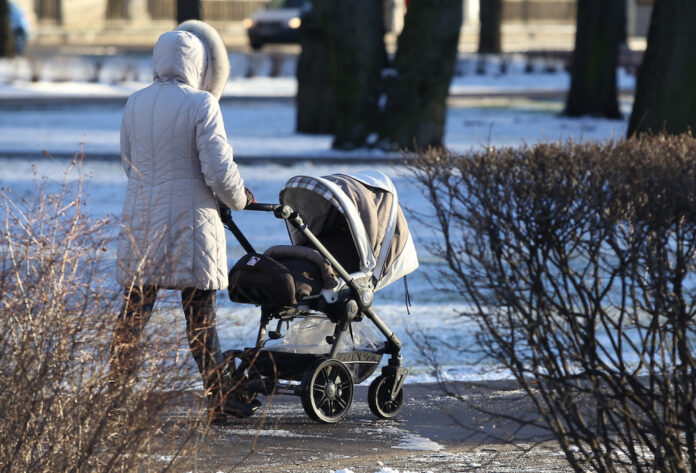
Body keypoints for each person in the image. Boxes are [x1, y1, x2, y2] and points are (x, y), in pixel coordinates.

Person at [110, 20, 259, 421]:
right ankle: (218, 399)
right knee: (200, 320)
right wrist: (240, 199)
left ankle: (112, 397)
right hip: (191, 226)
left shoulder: (134, 103)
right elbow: (218, 169)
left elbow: (129, 163)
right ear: (198, 64)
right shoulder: (201, 104)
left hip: (142, 222)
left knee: (132, 318)